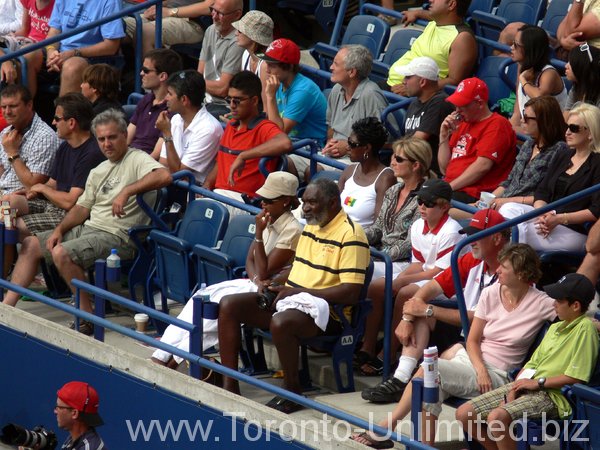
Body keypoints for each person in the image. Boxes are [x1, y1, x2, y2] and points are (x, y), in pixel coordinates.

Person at [354, 244, 557, 447]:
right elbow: (472, 340)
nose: (498, 270)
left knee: (430, 371)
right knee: (430, 383)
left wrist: (588, 323)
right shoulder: (491, 292)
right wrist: (480, 370)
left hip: (499, 374)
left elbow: (575, 317)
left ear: (522, 274)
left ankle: (386, 427)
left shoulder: (541, 303)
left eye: (504, 268)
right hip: (474, 363)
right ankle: (421, 444)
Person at [2, 109, 172, 335]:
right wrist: (59, 230)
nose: (106, 144)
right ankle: (6, 310)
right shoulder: (100, 169)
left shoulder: (137, 158)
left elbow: (164, 176)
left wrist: (128, 191)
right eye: (101, 139)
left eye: (112, 137)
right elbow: (81, 209)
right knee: (32, 244)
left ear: (124, 135)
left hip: (118, 236)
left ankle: (87, 316)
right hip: (90, 228)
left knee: (61, 253)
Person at [218, 178, 370, 412]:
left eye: (312, 203)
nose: (305, 208)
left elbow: (351, 292)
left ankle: (292, 392)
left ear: (331, 203)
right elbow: (297, 267)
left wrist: (298, 291)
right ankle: (230, 386)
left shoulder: (351, 235)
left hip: (329, 313)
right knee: (229, 304)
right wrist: (273, 283)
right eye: (304, 202)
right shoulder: (311, 226)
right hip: (292, 299)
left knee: (282, 322)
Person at [151, 172, 302, 368]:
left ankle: (170, 362)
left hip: (271, 291)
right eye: (262, 198)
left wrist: (258, 236)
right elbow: (250, 259)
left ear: (285, 201)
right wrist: (256, 278)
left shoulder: (292, 229)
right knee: (200, 299)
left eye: (268, 199)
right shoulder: (267, 220)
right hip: (253, 283)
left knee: (211, 316)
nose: (262, 203)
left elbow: (265, 271)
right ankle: (161, 355)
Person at [362, 209, 509, 404]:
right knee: (420, 311)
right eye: (470, 235)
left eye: (476, 236)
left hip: (488, 339)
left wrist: (427, 310)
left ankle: (407, 382)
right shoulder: (472, 259)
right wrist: (407, 317)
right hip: (466, 329)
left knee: (426, 311)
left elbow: (481, 317)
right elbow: (432, 286)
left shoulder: (511, 270)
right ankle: (400, 379)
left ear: (497, 238)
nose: (471, 241)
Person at [457, 273, 599, 448]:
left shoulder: (585, 330)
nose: (553, 304)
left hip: (554, 396)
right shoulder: (555, 327)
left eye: (559, 301)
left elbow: (577, 377)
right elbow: (532, 363)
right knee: (464, 413)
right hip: (528, 386)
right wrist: (515, 388)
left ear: (575, 305)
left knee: (497, 418)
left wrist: (538, 383)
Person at [359, 177, 464, 377]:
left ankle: (387, 354)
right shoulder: (418, 225)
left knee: (405, 293)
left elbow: (439, 272)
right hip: (427, 275)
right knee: (376, 287)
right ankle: (367, 346)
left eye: (429, 203)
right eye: (420, 201)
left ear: (444, 207)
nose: (422, 206)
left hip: (448, 284)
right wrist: (396, 279)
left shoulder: (451, 231)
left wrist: (402, 281)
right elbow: (418, 263)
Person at [2, 93, 104, 275]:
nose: (54, 122)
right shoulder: (66, 146)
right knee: (8, 203)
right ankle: (7, 271)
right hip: (53, 205)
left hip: (72, 214)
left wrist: (40, 187)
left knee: (11, 224)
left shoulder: (91, 153)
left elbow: (70, 202)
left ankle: (6, 273)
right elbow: (54, 183)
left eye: (57, 118)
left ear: (71, 123)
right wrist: (31, 191)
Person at [500, 103, 600, 253]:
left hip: (573, 229)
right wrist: (543, 214)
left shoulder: (597, 163)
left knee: (514, 231)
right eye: (567, 127)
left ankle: (511, 270)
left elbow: (595, 211)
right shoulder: (564, 154)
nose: (567, 132)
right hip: (547, 220)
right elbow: (542, 191)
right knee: (508, 209)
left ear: (591, 132)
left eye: (573, 128)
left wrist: (559, 218)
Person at [288, 44, 387, 181]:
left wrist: (347, 147)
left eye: (336, 64)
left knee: (313, 172)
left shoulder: (371, 95)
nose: (331, 67)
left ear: (352, 72)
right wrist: (331, 143)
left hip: (356, 160)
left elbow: (383, 140)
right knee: (286, 162)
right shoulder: (336, 89)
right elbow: (331, 126)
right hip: (332, 154)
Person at [203, 71, 292, 204]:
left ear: (254, 100)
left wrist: (243, 155)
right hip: (218, 195)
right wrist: (207, 185)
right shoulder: (231, 125)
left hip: (244, 202)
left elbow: (285, 143)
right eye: (229, 99)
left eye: (237, 101)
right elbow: (221, 163)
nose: (232, 105)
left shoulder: (263, 127)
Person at [439, 77, 517, 204]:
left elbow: (482, 167)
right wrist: (443, 136)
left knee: (430, 207)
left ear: (479, 103)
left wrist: (447, 189)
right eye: (456, 105)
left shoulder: (497, 124)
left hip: (471, 193)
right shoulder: (463, 123)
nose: (457, 111)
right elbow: (444, 168)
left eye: (462, 106)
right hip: (451, 187)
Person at [490, 96, 568, 210]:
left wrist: (506, 201)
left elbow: (549, 194)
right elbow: (509, 181)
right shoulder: (528, 144)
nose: (521, 121)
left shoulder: (560, 150)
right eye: (522, 116)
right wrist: (489, 199)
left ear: (543, 121)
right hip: (503, 202)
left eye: (526, 118)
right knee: (457, 210)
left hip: (524, 209)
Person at [387, 0, 477, 96]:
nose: (430, 0)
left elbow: (454, 81)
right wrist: (417, 13)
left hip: (413, 96)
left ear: (451, 4)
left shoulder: (462, 38)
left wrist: (415, 88)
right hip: (391, 84)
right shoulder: (437, 21)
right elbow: (430, 14)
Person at [38, 0, 125, 96]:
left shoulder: (110, 2)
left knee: (72, 67)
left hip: (92, 58)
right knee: (28, 55)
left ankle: (63, 110)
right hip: (61, 53)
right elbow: (54, 31)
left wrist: (74, 53)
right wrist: (51, 51)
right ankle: (27, 109)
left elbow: (111, 46)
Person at [155, 70, 223, 185]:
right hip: (172, 183)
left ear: (184, 100)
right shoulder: (176, 119)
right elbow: (163, 163)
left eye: (170, 94)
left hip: (192, 190)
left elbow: (178, 174)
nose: (166, 98)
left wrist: (167, 134)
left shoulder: (209, 129)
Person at [260, 38, 327, 145]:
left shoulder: (303, 90)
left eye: (272, 65)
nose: (267, 70)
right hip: (289, 141)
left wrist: (270, 97)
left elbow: (277, 134)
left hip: (310, 145)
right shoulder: (278, 82)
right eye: (267, 64)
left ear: (290, 67)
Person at [399, 56, 455, 176]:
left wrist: (395, 152)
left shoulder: (440, 102)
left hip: (429, 173)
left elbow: (416, 142)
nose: (404, 81)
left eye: (408, 77)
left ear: (423, 81)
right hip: (411, 167)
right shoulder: (415, 102)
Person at [0, 84, 59, 196]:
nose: (7, 112)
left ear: (29, 105)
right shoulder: (5, 132)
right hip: (3, 193)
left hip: (26, 199)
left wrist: (12, 153)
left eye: (13, 106)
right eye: (3, 107)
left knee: (6, 207)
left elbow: (33, 185)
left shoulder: (44, 137)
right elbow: (2, 171)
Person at [338, 117, 396, 228]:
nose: (347, 147)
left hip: (359, 240)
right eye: (348, 141)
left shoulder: (386, 178)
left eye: (352, 144)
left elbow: (378, 226)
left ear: (367, 148)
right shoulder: (349, 171)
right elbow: (331, 207)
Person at [509, 25, 567, 133]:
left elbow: (539, 97)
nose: (511, 47)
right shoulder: (522, 66)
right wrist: (511, 125)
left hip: (548, 134)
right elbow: (517, 112)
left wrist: (523, 80)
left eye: (516, 45)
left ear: (530, 49)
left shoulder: (549, 73)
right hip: (528, 128)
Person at [127, 48, 183, 159]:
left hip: (146, 165)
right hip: (129, 157)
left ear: (162, 76)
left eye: (146, 70)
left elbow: (156, 155)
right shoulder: (145, 100)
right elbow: (126, 139)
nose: (141, 73)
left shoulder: (172, 109)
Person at [197, 0, 244, 119]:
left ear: (237, 15)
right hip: (203, 98)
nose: (214, 16)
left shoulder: (238, 41)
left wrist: (192, 83)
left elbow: (222, 89)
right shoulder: (210, 30)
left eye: (220, 13)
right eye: (213, 10)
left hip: (224, 105)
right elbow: (199, 74)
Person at [123, 0, 211, 57]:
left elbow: (211, 5)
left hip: (193, 21)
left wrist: (170, 12)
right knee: (121, 28)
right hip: (166, 12)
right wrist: (157, 7)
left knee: (145, 32)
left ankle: (154, 84)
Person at [0, 0, 54, 92]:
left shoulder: (58, 4)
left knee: (25, 55)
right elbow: (24, 30)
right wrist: (11, 36)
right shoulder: (28, 1)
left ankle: (22, 101)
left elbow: (54, 36)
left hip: (42, 47)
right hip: (25, 41)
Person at [232, 10, 274, 109]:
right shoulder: (246, 54)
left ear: (253, 37)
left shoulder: (265, 66)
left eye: (240, 31)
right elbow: (243, 91)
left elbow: (266, 108)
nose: (236, 33)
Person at [55, 381, 106, 450]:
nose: (55, 411)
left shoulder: (88, 447)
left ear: (74, 413)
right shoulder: (73, 439)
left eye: (59, 407)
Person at [564, 42, 600, 113]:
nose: (566, 66)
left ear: (582, 67)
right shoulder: (576, 87)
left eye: (571, 63)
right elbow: (566, 117)